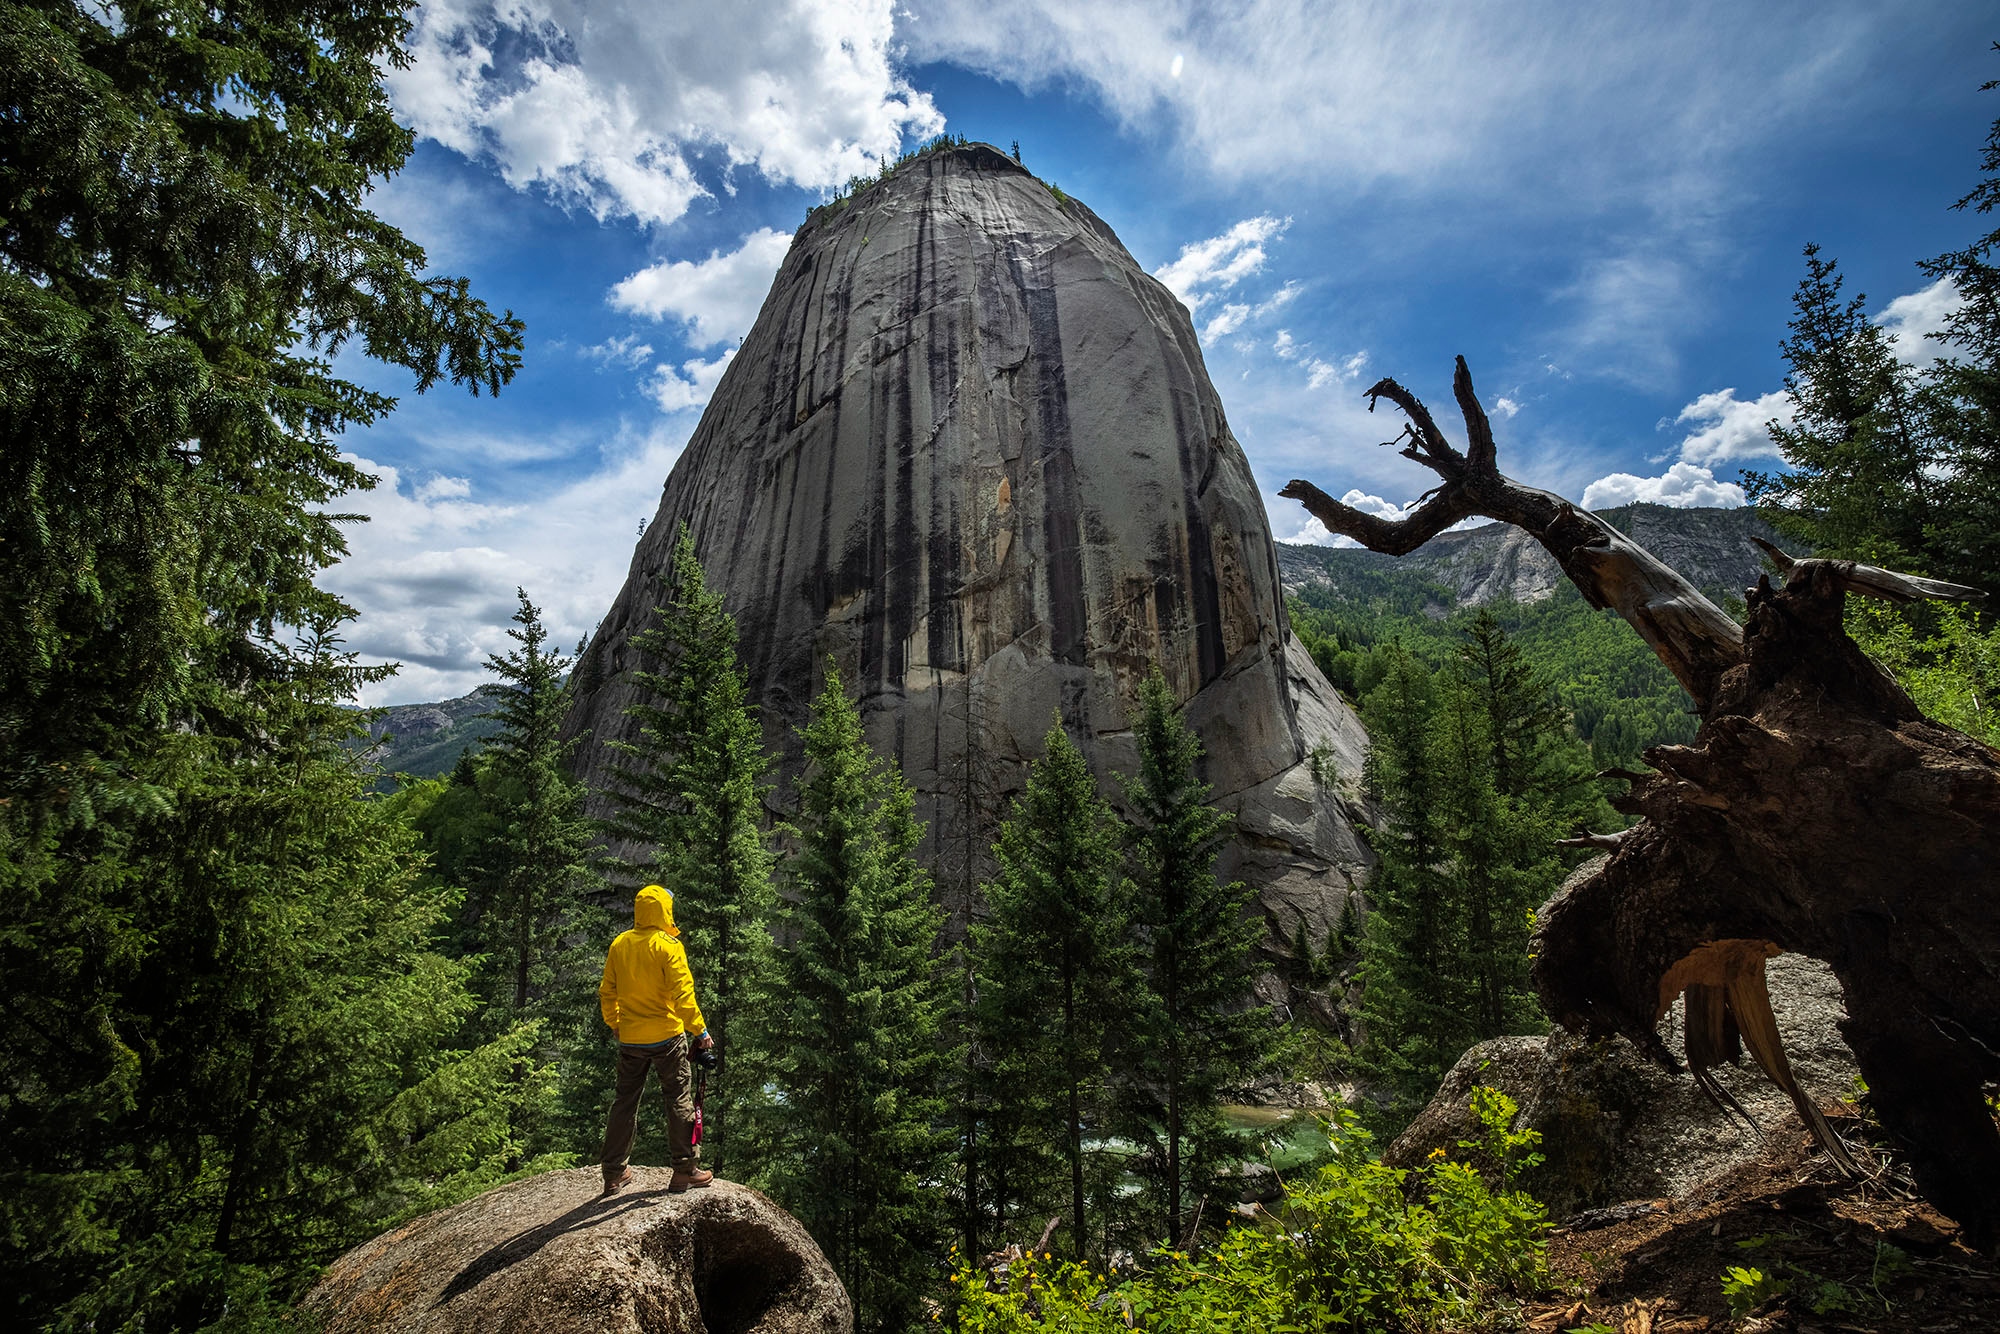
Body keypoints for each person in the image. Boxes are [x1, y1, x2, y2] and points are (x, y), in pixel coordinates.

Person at [598, 884, 718, 1195]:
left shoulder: (620, 944)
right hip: (667, 1038)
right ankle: (685, 1171)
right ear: (665, 911)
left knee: (624, 1103)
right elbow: (683, 995)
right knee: (678, 1098)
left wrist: (615, 1024)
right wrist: (700, 1031)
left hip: (631, 1039)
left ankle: (614, 1174)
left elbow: (607, 992)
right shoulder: (668, 946)